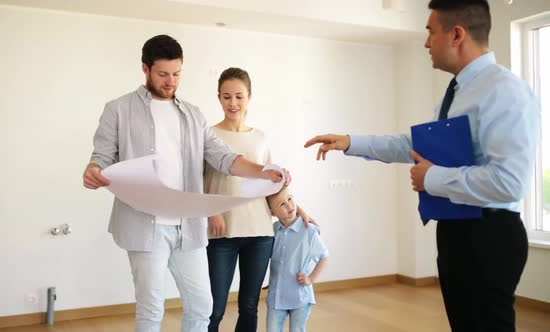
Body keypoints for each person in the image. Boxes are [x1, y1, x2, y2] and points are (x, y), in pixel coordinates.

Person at [304, 1, 540, 331]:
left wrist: (433, 179)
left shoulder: (505, 92)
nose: (427, 42)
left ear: (457, 34)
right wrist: (350, 142)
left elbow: (509, 182)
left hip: (489, 237)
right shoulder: (459, 91)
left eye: (430, 31)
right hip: (458, 231)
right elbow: (415, 147)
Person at [82, 35, 288, 332]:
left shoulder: (193, 114)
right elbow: (101, 155)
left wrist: (264, 172)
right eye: (163, 74)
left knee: (202, 305)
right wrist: (93, 169)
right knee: (152, 309)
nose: (171, 81)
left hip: (188, 227)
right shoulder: (119, 109)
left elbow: (224, 157)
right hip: (144, 225)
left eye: (177, 74)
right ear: (146, 69)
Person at [204, 67, 311, 332]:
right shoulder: (208, 135)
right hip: (222, 231)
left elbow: (271, 184)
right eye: (227, 96)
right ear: (219, 98)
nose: (233, 103)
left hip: (260, 232)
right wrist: (212, 212)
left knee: (250, 305)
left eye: (239, 96)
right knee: (214, 308)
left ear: (249, 97)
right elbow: (197, 180)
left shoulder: (261, 138)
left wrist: (298, 210)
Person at [265, 186, 329, 332]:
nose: (289, 205)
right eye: (282, 204)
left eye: (290, 199)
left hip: (300, 297)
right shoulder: (273, 230)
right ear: (273, 212)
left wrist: (311, 279)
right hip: (277, 296)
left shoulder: (309, 231)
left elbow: (324, 257)